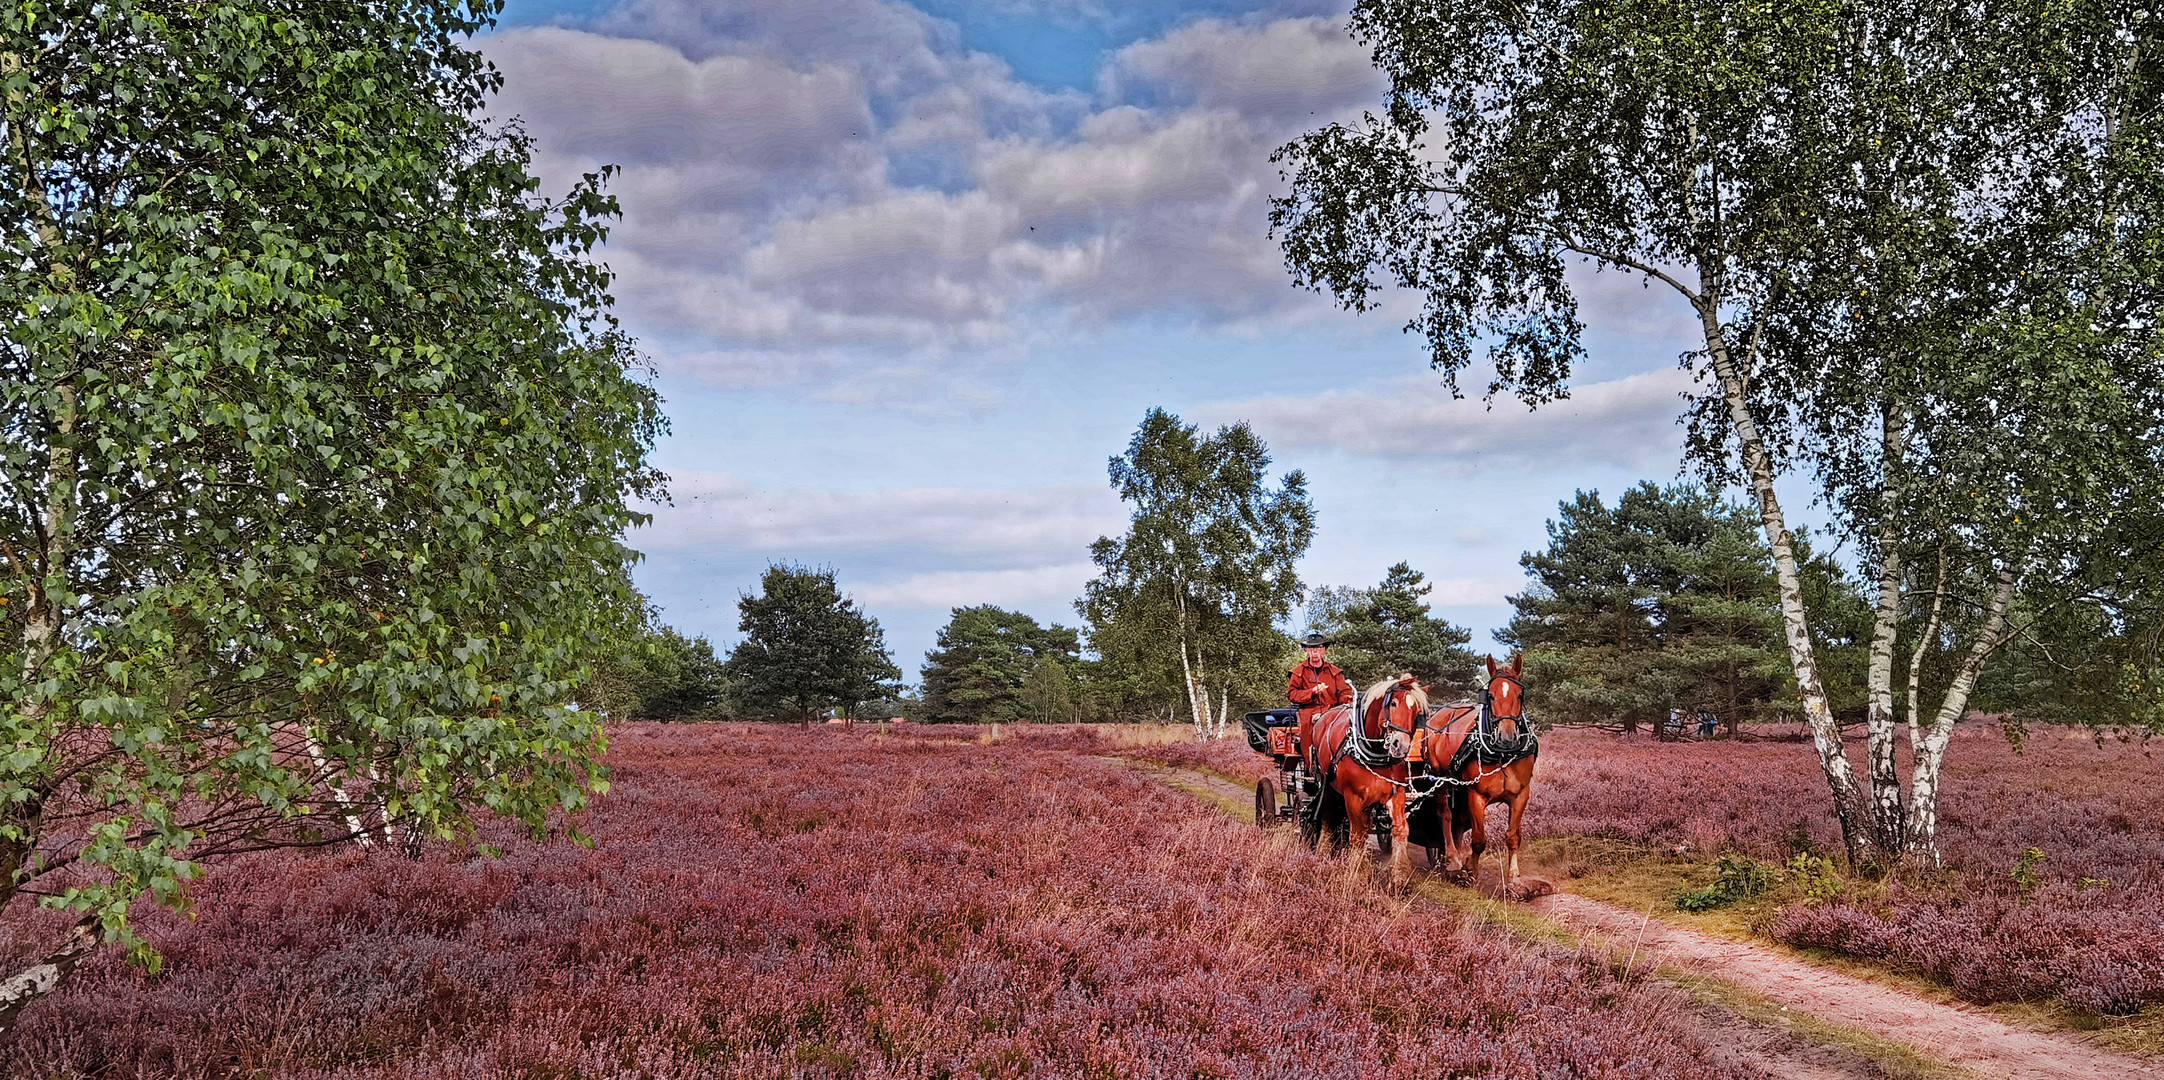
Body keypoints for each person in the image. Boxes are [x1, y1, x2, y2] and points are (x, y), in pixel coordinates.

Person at [1287, 632, 1353, 775]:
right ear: (1307, 651)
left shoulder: (1335, 672)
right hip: (1308, 715)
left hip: (1333, 713)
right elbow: (1292, 694)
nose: (1315, 652)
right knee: (1310, 742)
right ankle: (1311, 770)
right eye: (1311, 649)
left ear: (1324, 650)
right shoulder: (1298, 672)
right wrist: (1312, 692)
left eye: (1318, 649)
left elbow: (1344, 693)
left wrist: (1349, 699)